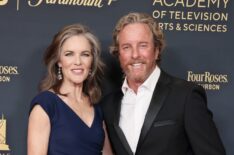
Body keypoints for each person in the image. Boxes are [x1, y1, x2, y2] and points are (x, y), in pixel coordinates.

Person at [100, 12, 226, 155]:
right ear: (118, 54)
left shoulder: (186, 96)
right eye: (126, 47)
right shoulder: (108, 106)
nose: (135, 55)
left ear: (157, 50)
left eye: (143, 45)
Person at [27, 24, 112, 155]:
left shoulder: (96, 108)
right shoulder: (46, 104)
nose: (78, 61)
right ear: (59, 61)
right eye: (69, 54)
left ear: (92, 61)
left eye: (85, 54)